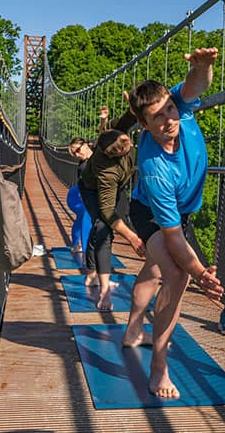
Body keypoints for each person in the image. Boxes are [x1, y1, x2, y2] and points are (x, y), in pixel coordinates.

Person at [121, 48, 224, 399]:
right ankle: (159, 367)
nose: (169, 119)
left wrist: (204, 66)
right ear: (144, 126)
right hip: (150, 212)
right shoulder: (155, 168)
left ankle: (134, 330)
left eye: (169, 108)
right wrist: (200, 275)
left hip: (180, 211)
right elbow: (175, 239)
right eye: (157, 117)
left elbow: (195, 86)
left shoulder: (179, 109)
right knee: (176, 274)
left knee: (152, 271)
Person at [79, 107, 146, 311]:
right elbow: (107, 212)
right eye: (127, 144)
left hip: (119, 186)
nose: (131, 141)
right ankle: (104, 291)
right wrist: (132, 237)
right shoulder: (107, 170)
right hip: (92, 189)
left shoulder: (115, 134)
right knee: (103, 228)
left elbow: (129, 116)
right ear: (118, 153)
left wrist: (136, 104)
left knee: (106, 227)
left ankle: (93, 270)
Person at [66, 138, 93, 254]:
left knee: (82, 218)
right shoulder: (83, 166)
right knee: (86, 217)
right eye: (74, 153)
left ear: (86, 145)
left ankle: (75, 245)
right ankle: (86, 251)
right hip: (76, 197)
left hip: (79, 194)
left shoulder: (97, 154)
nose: (76, 154)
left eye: (77, 150)